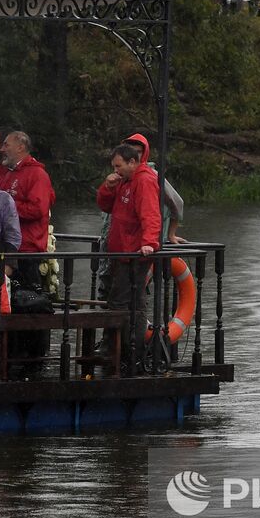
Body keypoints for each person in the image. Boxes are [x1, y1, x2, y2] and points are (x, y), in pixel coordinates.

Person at [95, 142, 161, 374]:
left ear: (133, 162)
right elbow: (105, 205)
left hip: (133, 254)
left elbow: (151, 214)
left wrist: (149, 243)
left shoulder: (144, 180)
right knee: (124, 303)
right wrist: (107, 186)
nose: (115, 170)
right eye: (114, 166)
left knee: (127, 304)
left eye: (118, 166)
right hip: (121, 252)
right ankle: (121, 350)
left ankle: (127, 352)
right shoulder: (123, 181)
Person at [1, 130, 55, 372]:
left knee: (31, 305)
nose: (3, 149)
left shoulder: (37, 174)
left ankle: (34, 358)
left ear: (21, 147)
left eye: (7, 144)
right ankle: (13, 354)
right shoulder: (9, 174)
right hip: (10, 250)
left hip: (29, 250)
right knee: (12, 304)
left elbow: (38, 209)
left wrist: (8, 207)